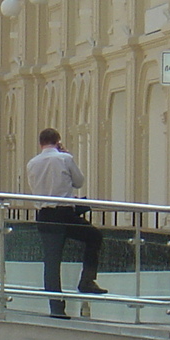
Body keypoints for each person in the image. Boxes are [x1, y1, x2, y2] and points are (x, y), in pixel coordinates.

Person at [26, 127, 108, 318]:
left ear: (40, 143)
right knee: (94, 236)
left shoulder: (32, 163)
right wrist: (66, 154)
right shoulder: (64, 159)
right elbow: (79, 181)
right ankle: (87, 280)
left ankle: (56, 308)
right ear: (58, 141)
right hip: (65, 213)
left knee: (52, 262)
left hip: (45, 216)